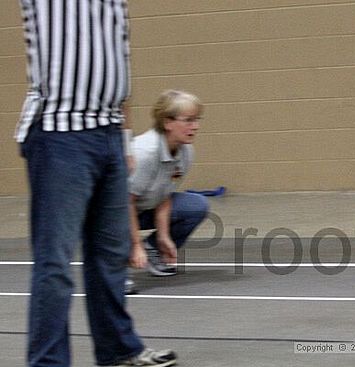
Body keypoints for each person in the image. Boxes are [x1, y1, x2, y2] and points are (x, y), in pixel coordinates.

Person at [16, 1, 176, 366]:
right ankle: (48, 362)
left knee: (109, 256)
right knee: (55, 262)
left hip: (108, 131)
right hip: (60, 132)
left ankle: (119, 350)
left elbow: (120, 59)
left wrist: (123, 138)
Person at [128, 90, 209, 276]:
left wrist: (163, 237)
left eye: (197, 120)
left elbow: (164, 196)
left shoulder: (185, 152)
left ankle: (153, 250)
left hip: (142, 209)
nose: (195, 126)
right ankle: (115, 273)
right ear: (167, 122)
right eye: (188, 120)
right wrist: (135, 244)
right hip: (113, 213)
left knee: (196, 206)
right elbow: (125, 203)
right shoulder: (144, 153)